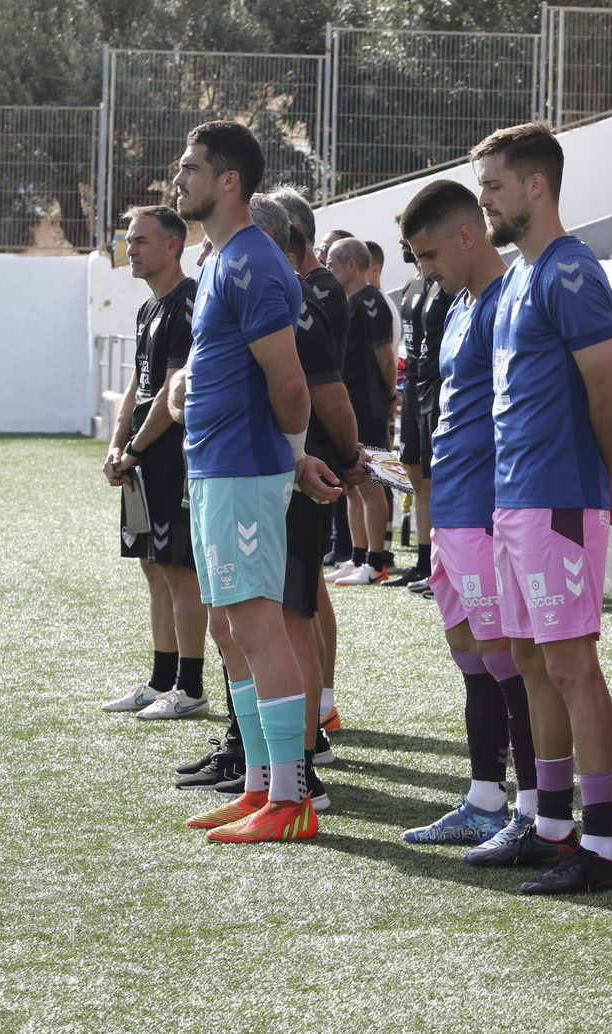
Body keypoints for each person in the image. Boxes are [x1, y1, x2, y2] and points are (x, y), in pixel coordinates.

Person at [467, 121, 612, 893]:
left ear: (535, 187)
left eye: (494, 186)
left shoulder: (571, 273)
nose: (485, 202)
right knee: (534, 660)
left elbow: (610, 396)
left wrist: (606, 483)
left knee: (572, 664)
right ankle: (550, 823)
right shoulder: (516, 278)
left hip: (560, 500)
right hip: (516, 498)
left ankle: (602, 847)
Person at [169, 120, 324, 844]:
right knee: (231, 629)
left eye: (191, 168)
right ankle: (259, 785)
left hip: (243, 471)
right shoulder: (221, 261)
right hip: (214, 468)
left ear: (229, 180)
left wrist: (290, 459)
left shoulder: (256, 262)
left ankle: (292, 799)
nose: (179, 180)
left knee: (258, 627)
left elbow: (291, 386)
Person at [396, 179, 542, 855]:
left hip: (487, 508)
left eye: (429, 254)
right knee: (471, 661)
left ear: (465, 236)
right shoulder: (457, 305)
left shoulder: (510, 299)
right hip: (450, 510)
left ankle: (535, 810)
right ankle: (486, 798)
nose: (424, 270)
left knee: (508, 661)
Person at [101, 205, 208, 721]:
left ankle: (190, 687)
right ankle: (160, 680)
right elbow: (137, 387)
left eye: (141, 240)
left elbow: (172, 392)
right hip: (143, 457)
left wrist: (138, 449)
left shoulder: (188, 303)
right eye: (129, 240)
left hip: (173, 458)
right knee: (152, 566)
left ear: (173, 245)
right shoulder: (148, 309)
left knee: (178, 570)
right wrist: (117, 447)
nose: (131, 249)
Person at [269, 187, 350, 732]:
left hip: (308, 458)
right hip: (309, 454)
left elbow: (322, 386)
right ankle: (316, 709)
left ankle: (315, 715)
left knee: (300, 602)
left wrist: (346, 452)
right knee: (305, 594)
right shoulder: (311, 289)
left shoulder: (312, 294)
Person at [326, 237, 396, 584]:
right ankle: (357, 557)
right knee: (351, 484)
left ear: (351, 265)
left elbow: (385, 356)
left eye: (333, 264)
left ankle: (377, 563)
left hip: (368, 406)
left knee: (372, 483)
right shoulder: (347, 302)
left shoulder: (372, 302)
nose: (328, 269)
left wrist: (389, 396)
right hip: (349, 406)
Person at [388, 249, 452, 588]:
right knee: (415, 473)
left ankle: (438, 565)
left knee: (433, 475)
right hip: (413, 387)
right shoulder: (413, 284)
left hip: (433, 389)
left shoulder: (440, 283)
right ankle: (424, 561)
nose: (404, 244)